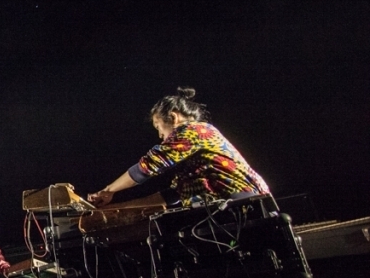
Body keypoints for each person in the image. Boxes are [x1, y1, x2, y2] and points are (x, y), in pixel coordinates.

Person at [88, 87, 269, 208]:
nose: (160, 136)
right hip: (241, 204)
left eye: (158, 127)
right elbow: (173, 194)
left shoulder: (194, 131)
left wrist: (108, 190)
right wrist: (117, 209)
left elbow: (148, 166)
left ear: (173, 117)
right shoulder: (195, 149)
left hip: (244, 204)